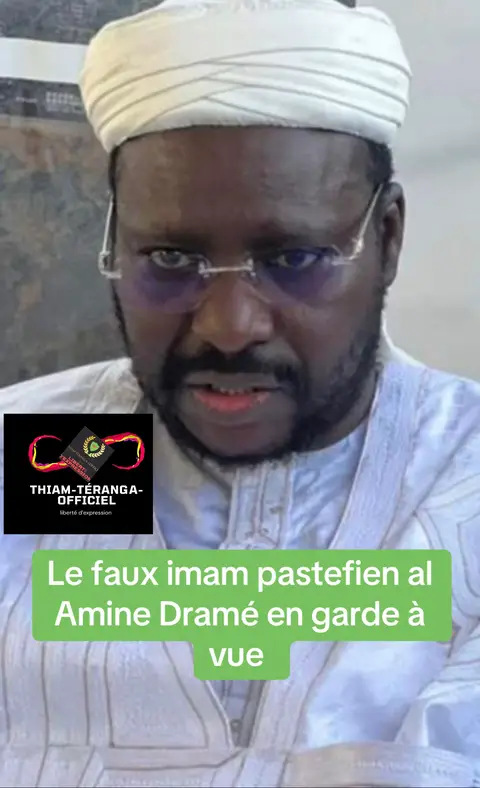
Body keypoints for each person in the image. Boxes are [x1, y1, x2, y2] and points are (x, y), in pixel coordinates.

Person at [0, 0, 479, 785]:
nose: (228, 327)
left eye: (295, 260)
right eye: (170, 260)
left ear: (387, 239)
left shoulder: (464, 481)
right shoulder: (33, 452)